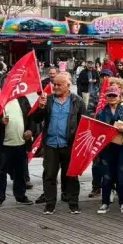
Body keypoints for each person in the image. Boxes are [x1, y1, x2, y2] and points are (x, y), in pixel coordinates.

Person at [28, 73, 85, 215]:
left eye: (59, 84)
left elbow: (84, 123)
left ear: (68, 85)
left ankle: (73, 203)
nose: (56, 87)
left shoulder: (77, 101)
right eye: (55, 84)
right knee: (49, 175)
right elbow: (35, 119)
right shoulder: (48, 100)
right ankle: (49, 204)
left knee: (71, 175)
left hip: (69, 144)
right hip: (51, 144)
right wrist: (41, 107)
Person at [95, 84, 123, 215]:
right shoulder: (100, 113)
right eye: (109, 95)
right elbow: (96, 131)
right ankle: (105, 202)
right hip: (107, 148)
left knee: (121, 174)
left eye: (114, 95)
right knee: (107, 175)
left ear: (120, 96)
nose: (111, 97)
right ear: (105, 97)